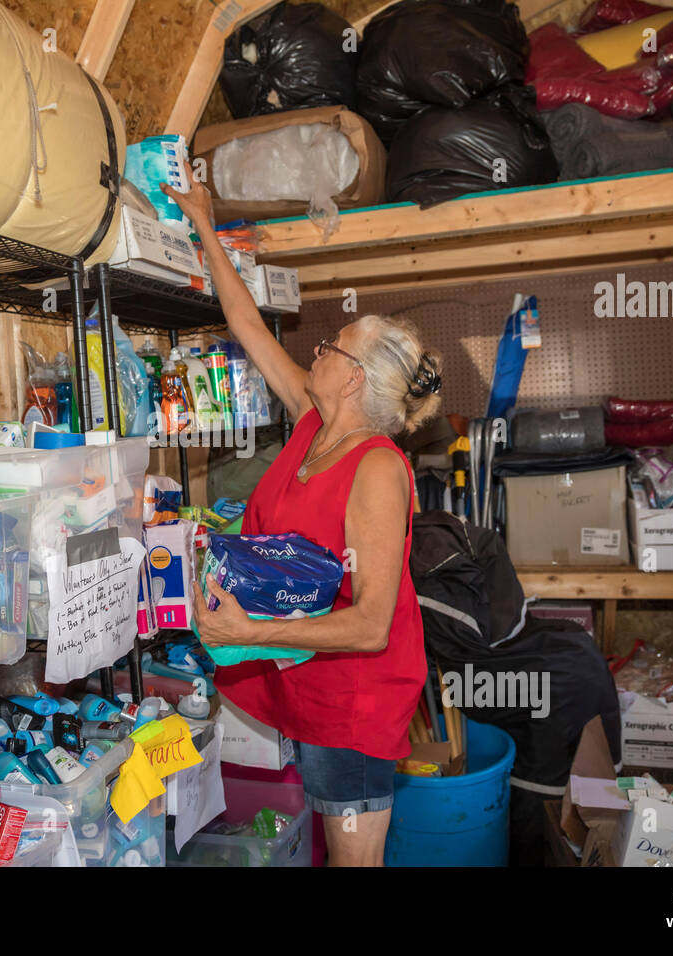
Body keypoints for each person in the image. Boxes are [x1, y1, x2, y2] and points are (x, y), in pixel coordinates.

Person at [163, 172, 442, 867]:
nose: (315, 352)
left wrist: (252, 631)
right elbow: (247, 326)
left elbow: (373, 623)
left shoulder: (377, 468)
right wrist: (202, 219)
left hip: (354, 700)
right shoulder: (314, 422)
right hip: (308, 680)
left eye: (331, 346)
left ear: (355, 378)